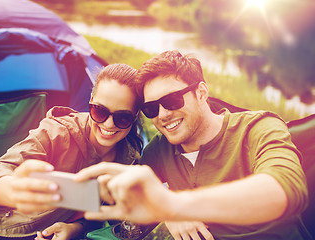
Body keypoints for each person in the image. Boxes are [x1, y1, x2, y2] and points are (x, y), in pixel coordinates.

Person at [73, 50, 311, 240]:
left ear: (201, 92)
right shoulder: (160, 149)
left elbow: (285, 189)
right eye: (151, 109)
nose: (163, 115)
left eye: (172, 100)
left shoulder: (259, 127)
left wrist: (174, 207)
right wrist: (73, 224)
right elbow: (118, 196)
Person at [0, 63, 143, 240]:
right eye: (100, 111)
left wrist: (73, 228)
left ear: (134, 117)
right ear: (90, 102)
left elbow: (98, 212)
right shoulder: (57, 132)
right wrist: (12, 190)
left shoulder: (128, 160)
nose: (108, 124)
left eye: (123, 118)